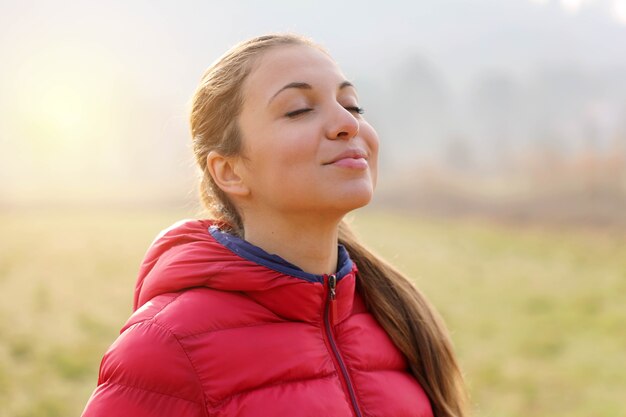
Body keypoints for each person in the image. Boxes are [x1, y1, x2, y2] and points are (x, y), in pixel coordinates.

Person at [82, 33, 468, 417]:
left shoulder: (395, 317)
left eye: (352, 105)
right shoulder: (164, 347)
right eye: (299, 109)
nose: (346, 123)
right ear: (230, 171)